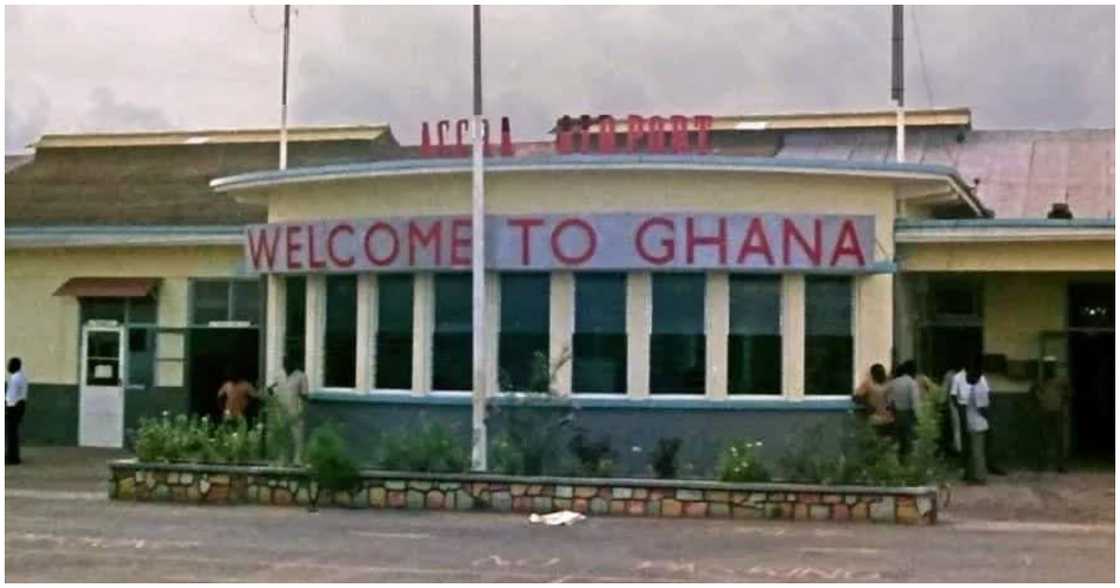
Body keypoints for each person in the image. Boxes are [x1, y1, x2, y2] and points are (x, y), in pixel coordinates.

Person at [955, 360, 991, 484]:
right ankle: (974, 476)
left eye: (968, 376)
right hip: (973, 424)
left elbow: (983, 408)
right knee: (975, 451)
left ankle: (980, 477)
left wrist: (987, 420)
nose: (966, 378)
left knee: (977, 452)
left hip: (978, 425)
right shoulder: (973, 388)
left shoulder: (979, 390)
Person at [268, 356, 309, 464]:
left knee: (297, 436)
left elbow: (305, 396)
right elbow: (271, 387)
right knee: (282, 435)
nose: (286, 365)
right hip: (281, 410)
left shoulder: (301, 376)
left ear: (294, 363)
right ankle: (282, 459)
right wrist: (273, 397)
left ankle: (298, 460)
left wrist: (303, 411)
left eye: (288, 363)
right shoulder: (279, 375)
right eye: (285, 363)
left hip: (295, 410)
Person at [1035, 356, 1072, 473]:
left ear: (1054, 367)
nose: (1049, 368)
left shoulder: (1061, 380)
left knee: (1059, 439)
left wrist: (1062, 405)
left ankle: (1061, 465)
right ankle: (1042, 464)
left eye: (1051, 365)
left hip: (1057, 412)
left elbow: (1068, 393)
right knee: (1043, 439)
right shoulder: (1040, 380)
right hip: (1044, 412)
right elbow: (1034, 393)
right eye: (1047, 365)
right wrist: (1040, 400)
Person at [887, 360, 921, 461]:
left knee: (899, 443)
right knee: (910, 444)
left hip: (897, 415)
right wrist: (918, 418)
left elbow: (890, 401)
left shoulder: (894, 382)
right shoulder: (912, 383)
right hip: (909, 415)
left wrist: (893, 414)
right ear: (913, 370)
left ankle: (900, 464)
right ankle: (909, 465)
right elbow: (915, 403)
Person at [853, 363, 893, 437]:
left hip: (890, 419)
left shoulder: (890, 382)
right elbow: (856, 397)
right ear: (873, 375)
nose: (881, 375)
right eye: (878, 373)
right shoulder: (868, 383)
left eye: (882, 372)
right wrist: (867, 405)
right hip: (876, 419)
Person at [6, 358, 28, 465]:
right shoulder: (22, 376)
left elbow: (11, 396)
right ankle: (12, 455)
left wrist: (7, 409)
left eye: (9, 364)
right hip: (20, 405)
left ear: (14, 366)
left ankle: (13, 458)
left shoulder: (15, 378)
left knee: (11, 433)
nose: (8, 366)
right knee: (13, 432)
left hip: (14, 406)